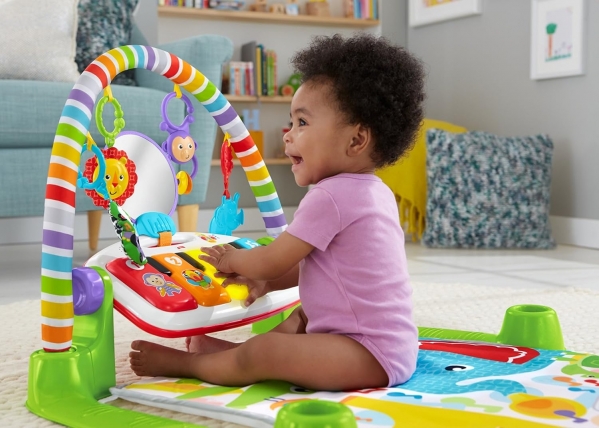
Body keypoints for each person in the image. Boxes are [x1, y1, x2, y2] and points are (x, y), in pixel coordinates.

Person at [130, 33, 426, 391]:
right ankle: (231, 356)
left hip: (367, 353)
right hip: (386, 346)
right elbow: (324, 269)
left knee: (268, 351)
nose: (288, 135)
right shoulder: (374, 191)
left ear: (356, 140)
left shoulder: (330, 196)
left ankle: (188, 364)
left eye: (302, 123)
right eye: (291, 122)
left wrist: (232, 260)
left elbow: (271, 259)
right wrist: (267, 284)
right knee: (299, 318)